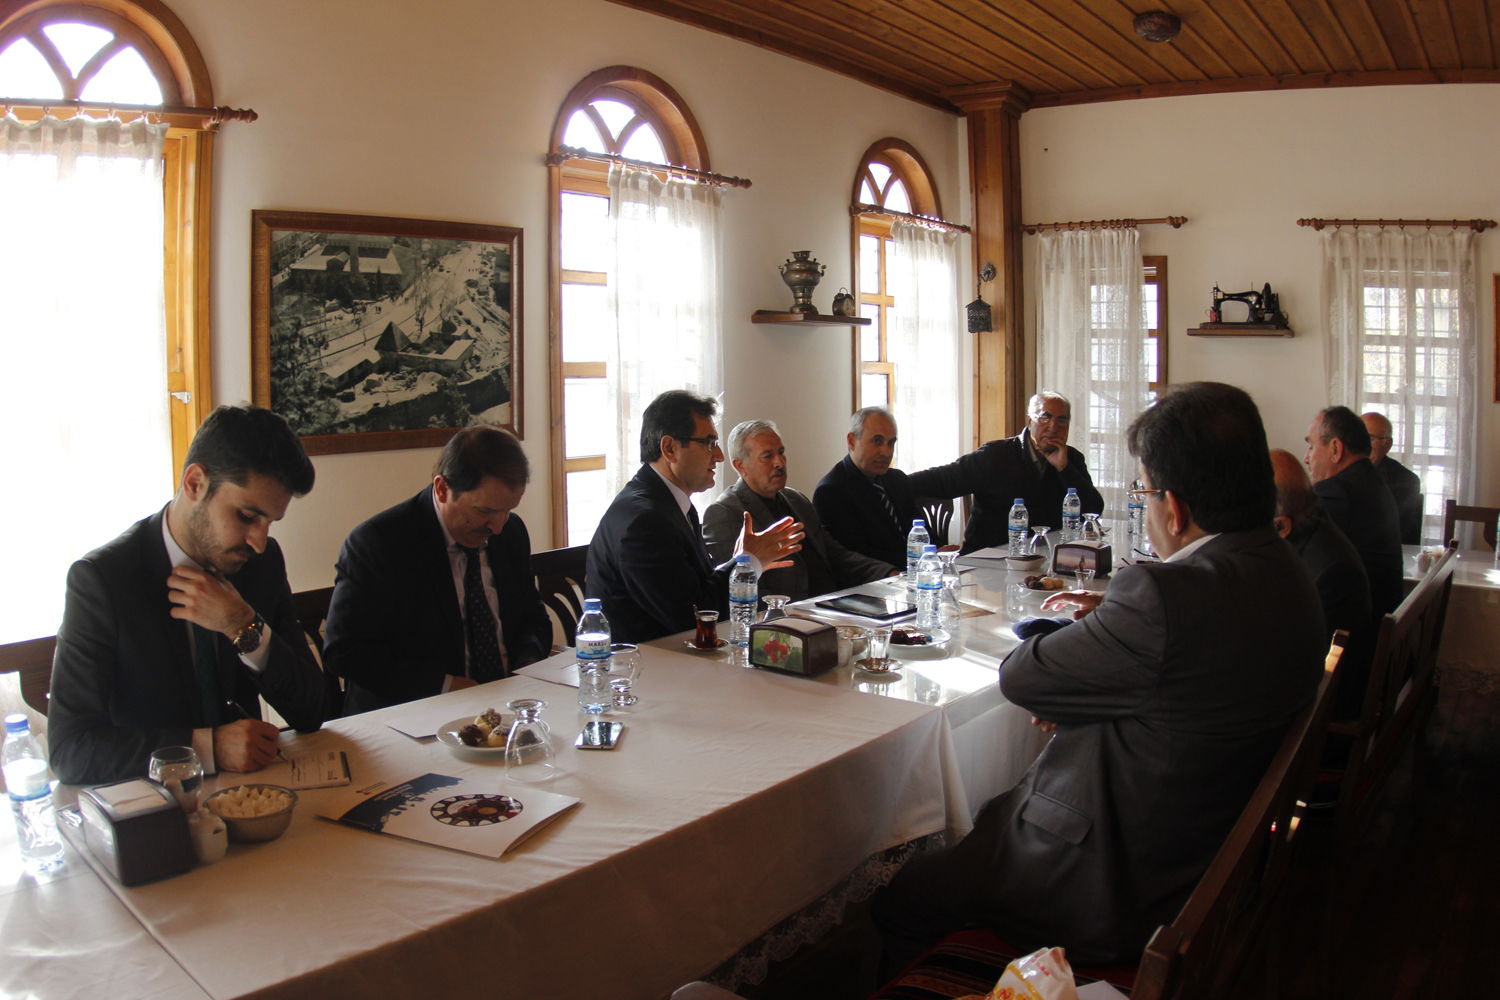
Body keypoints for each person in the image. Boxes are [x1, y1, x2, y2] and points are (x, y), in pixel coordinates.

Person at [871, 382, 1327, 970]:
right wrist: (1110, 643)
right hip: (1206, 854)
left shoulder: (1164, 597)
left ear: (1174, 509)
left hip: (1111, 882)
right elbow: (1191, 670)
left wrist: (1093, 652)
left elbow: (1022, 677)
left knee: (903, 897)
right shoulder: (1288, 570)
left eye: (1143, 490)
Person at [48, 406, 332, 786]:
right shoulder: (102, 581)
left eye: (271, 522)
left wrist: (243, 626)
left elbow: (313, 711)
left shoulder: (261, 565)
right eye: (247, 516)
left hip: (255, 797)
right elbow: (70, 750)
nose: (259, 542)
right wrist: (207, 748)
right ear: (195, 484)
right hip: (157, 804)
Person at [324, 426, 553, 715]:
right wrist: (445, 686)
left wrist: (528, 663)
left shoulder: (510, 533)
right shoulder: (379, 544)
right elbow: (345, 651)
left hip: (508, 705)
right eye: (485, 511)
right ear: (443, 489)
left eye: (508, 509)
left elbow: (533, 618)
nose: (497, 527)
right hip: (413, 713)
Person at [586, 391, 804, 644]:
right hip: (647, 664)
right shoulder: (645, 521)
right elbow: (697, 617)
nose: (719, 456)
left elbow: (697, 590)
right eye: (709, 443)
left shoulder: (668, 503)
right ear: (670, 449)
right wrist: (748, 563)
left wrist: (741, 561)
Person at [703, 420, 898, 603]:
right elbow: (737, 588)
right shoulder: (725, 512)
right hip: (789, 614)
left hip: (833, 603)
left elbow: (834, 555)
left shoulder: (795, 499)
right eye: (767, 456)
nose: (780, 462)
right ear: (740, 465)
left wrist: (888, 574)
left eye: (781, 452)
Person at [902, 391, 1104, 553]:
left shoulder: (1071, 459)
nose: (1053, 427)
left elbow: (1094, 510)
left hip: (1046, 559)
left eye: (1062, 420)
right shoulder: (995, 456)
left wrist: (1064, 469)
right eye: (1045, 417)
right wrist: (892, 482)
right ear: (1029, 421)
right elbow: (943, 480)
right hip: (988, 565)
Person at [1272, 448, 1373, 719]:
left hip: (1320, 720)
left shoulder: (1332, 573)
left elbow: (1305, 677)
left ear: (1282, 526)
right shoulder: (1310, 525)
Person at [1305, 406, 1404, 618]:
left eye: (1311, 446)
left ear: (1335, 448)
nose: (1306, 458)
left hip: (1357, 628)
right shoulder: (1372, 481)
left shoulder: (1336, 492)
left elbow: (1296, 558)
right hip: (1381, 616)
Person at [812, 407, 928, 568]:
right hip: (878, 578)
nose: (886, 452)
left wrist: (938, 553)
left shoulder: (897, 479)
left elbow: (920, 530)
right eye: (877, 441)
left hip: (915, 571)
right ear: (852, 441)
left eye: (891, 443)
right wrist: (917, 562)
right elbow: (855, 557)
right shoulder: (831, 491)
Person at [1362, 411, 1423, 545]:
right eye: (1357, 437)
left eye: (1370, 439)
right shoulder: (1338, 473)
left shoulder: (1405, 479)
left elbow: (1395, 531)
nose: (1362, 445)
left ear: (1387, 445)